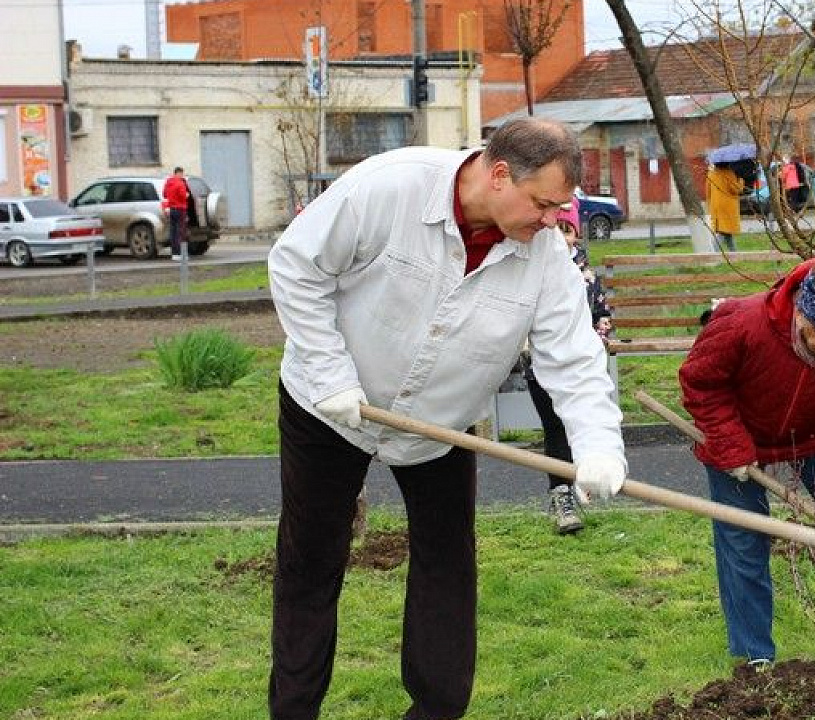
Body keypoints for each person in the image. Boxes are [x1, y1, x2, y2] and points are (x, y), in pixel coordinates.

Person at [266, 116, 629, 720]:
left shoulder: (545, 258)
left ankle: (436, 711)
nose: (551, 222)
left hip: (440, 422)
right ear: (500, 174)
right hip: (328, 407)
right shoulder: (390, 187)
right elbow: (296, 265)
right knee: (311, 557)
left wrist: (597, 448)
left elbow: (575, 359)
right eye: (543, 205)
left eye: (559, 210)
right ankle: (294, 710)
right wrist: (329, 375)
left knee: (447, 563)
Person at [678, 255, 815, 668]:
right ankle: (753, 655)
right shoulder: (740, 323)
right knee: (742, 539)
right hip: (738, 435)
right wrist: (729, 444)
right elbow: (699, 381)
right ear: (802, 315)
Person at [526, 197, 614, 534]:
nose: (562, 237)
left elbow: (603, 315)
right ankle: (560, 495)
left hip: (582, 364)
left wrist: (597, 340)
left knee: (582, 424)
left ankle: (585, 482)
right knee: (556, 428)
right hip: (543, 365)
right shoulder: (536, 270)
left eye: (569, 230)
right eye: (558, 229)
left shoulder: (587, 274)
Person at [707, 162, 745, 252]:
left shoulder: (711, 174)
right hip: (727, 206)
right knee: (723, 231)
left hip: (715, 205)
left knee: (726, 231)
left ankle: (734, 254)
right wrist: (741, 180)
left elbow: (708, 192)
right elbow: (736, 189)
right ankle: (713, 254)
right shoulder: (729, 173)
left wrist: (710, 204)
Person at [162, 166, 189, 260]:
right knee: (180, 231)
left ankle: (174, 254)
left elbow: (164, 194)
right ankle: (181, 254)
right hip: (180, 209)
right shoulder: (180, 183)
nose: (182, 176)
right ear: (179, 173)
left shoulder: (168, 182)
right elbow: (183, 196)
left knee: (173, 232)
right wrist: (187, 195)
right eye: (182, 174)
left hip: (171, 209)